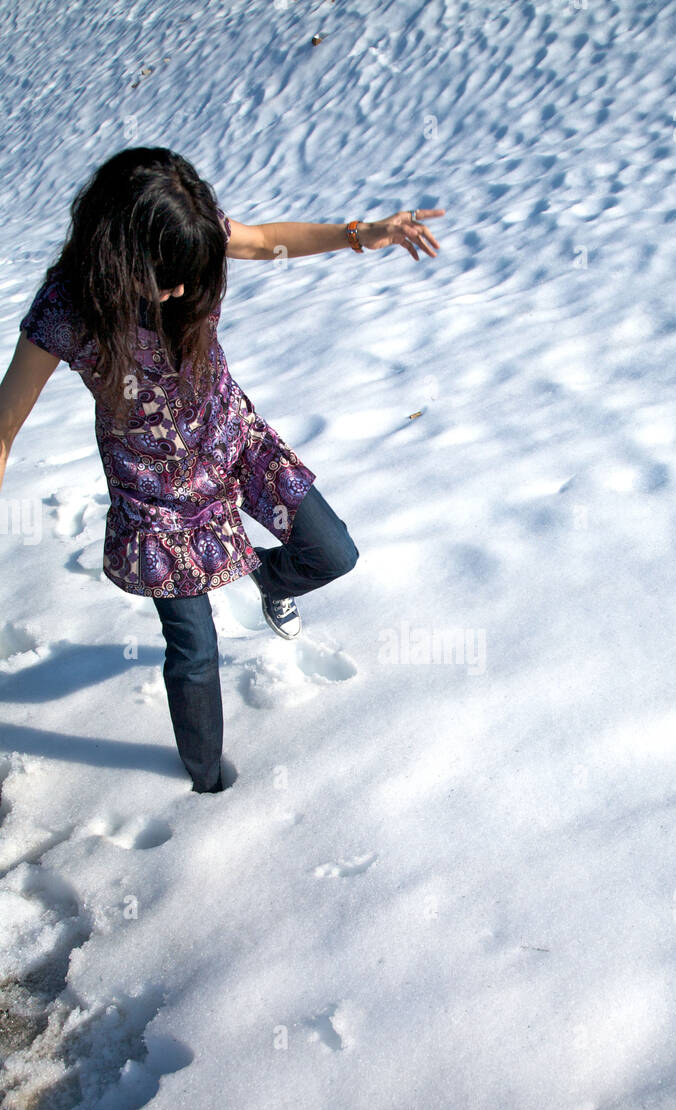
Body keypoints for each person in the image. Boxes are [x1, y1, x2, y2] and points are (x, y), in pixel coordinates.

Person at [0, 148, 445, 793]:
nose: (182, 291)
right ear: (118, 257)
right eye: (166, 279)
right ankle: (207, 787)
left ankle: (263, 578)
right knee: (195, 656)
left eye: (192, 275)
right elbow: (6, 424)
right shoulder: (68, 308)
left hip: (234, 443)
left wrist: (361, 234)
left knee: (334, 552)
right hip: (157, 501)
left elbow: (266, 243)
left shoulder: (191, 234)